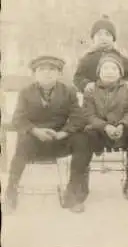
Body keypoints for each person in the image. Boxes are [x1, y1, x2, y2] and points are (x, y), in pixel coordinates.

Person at [5, 56, 92, 213]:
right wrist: (35, 131)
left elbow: (78, 117)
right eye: (42, 70)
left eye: (52, 69)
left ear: (59, 73)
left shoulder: (69, 91)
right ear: (35, 74)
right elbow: (18, 119)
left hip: (60, 141)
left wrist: (63, 133)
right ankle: (11, 191)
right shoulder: (26, 92)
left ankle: (71, 193)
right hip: (34, 142)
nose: (47, 73)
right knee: (22, 141)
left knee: (83, 140)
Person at [82, 53, 128, 203]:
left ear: (120, 73)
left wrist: (122, 124)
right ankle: (81, 182)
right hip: (99, 133)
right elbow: (87, 114)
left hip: (121, 131)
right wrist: (105, 126)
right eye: (105, 68)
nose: (109, 71)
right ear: (99, 73)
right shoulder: (91, 90)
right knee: (85, 133)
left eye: (114, 68)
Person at [73, 15, 128, 93]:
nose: (103, 38)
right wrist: (86, 85)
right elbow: (78, 77)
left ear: (113, 39)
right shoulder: (87, 58)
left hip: (117, 98)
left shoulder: (121, 58)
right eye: (99, 34)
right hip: (93, 98)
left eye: (107, 34)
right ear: (93, 39)